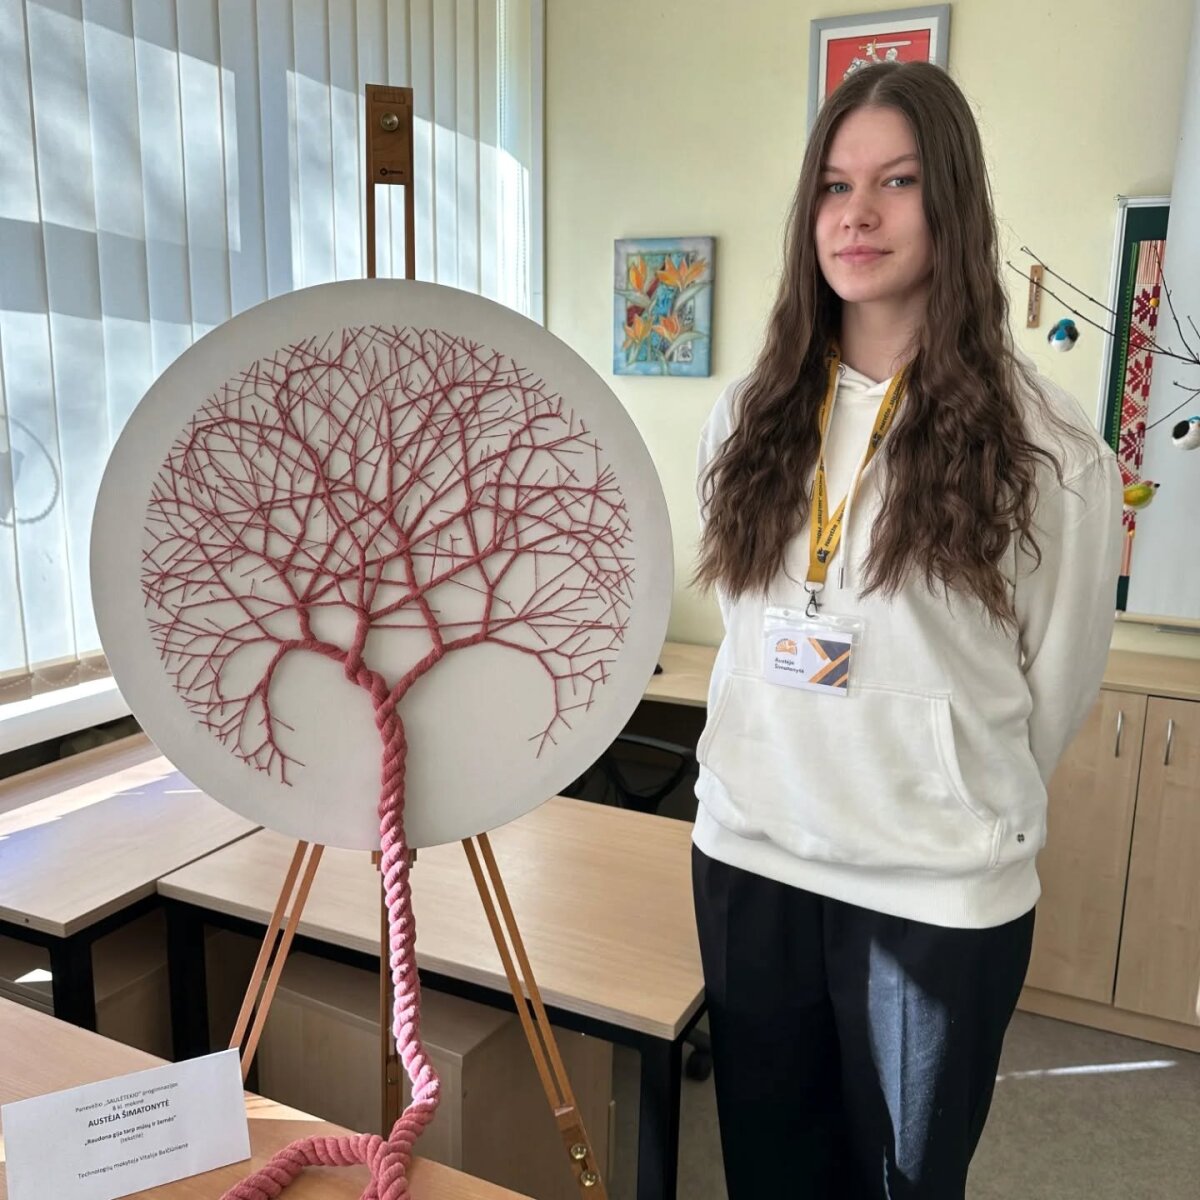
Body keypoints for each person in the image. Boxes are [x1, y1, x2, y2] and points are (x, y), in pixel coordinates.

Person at [691, 61, 1123, 1199]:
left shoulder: (1050, 450)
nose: (858, 214)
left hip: (936, 890)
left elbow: (1056, 684)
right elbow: (745, 635)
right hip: (752, 858)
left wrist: (946, 785)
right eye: (835, 186)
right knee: (769, 1176)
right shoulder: (746, 416)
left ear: (953, 203)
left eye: (897, 181)